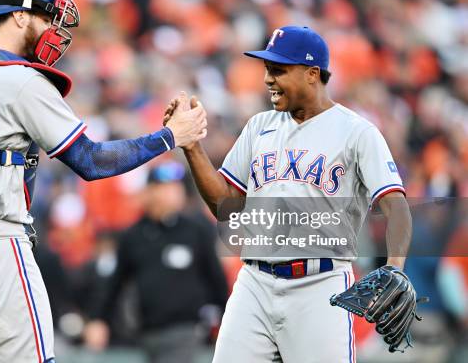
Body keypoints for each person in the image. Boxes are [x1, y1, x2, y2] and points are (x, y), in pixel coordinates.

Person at [0, 0, 206, 363]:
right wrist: (168, 136)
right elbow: (90, 161)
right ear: (21, 17)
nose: (51, 32)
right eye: (46, 18)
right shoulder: (19, 79)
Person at [164, 25, 413, 362]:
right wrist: (192, 148)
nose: (268, 79)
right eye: (267, 69)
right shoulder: (259, 126)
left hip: (320, 285)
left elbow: (395, 206)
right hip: (254, 280)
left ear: (312, 74)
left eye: (278, 70)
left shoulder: (356, 132)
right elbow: (227, 208)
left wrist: (395, 267)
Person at [83, 161, 228, 363]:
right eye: (165, 188)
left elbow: (217, 280)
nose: (173, 193)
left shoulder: (195, 231)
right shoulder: (133, 236)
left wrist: (227, 319)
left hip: (186, 331)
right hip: (146, 333)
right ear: (149, 192)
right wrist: (98, 319)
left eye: (176, 188)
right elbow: (114, 283)